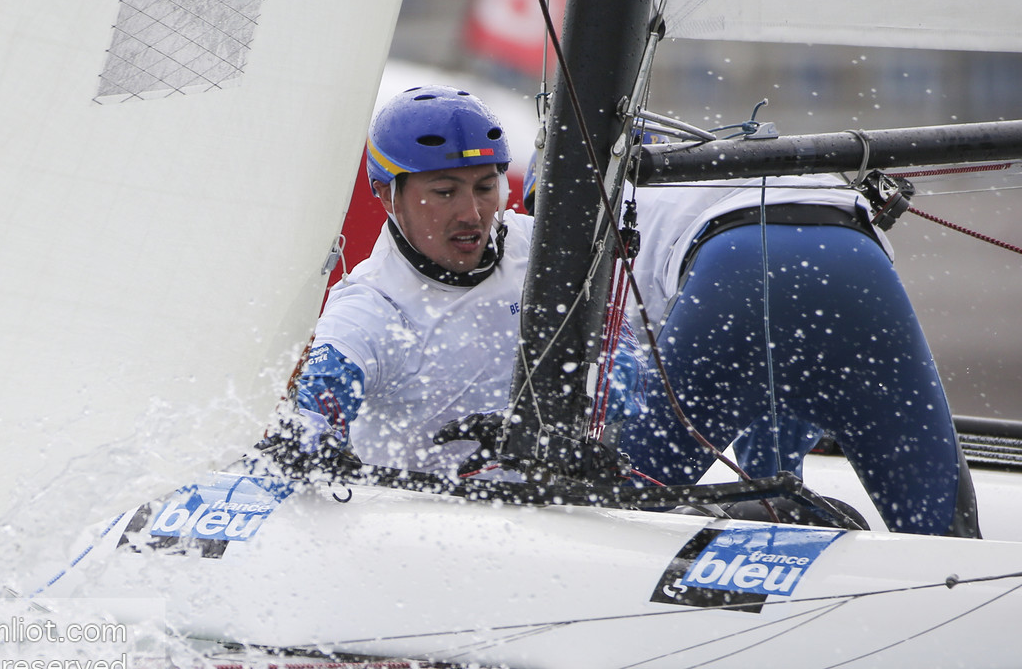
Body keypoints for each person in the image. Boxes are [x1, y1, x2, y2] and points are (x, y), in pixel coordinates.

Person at [276, 85, 642, 479]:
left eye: (485, 188)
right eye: (445, 192)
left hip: (551, 503)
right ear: (386, 194)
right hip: (419, 512)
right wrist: (307, 441)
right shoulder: (369, 306)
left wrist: (540, 420)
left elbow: (627, 362)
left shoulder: (540, 249)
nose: (472, 213)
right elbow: (308, 413)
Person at [614, 175, 978, 536]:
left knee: (615, 512)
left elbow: (627, 362)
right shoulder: (675, 172)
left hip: (734, 270)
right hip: (855, 260)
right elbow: (797, 364)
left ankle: (765, 509)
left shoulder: (614, 199)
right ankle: (775, 505)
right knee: (951, 538)